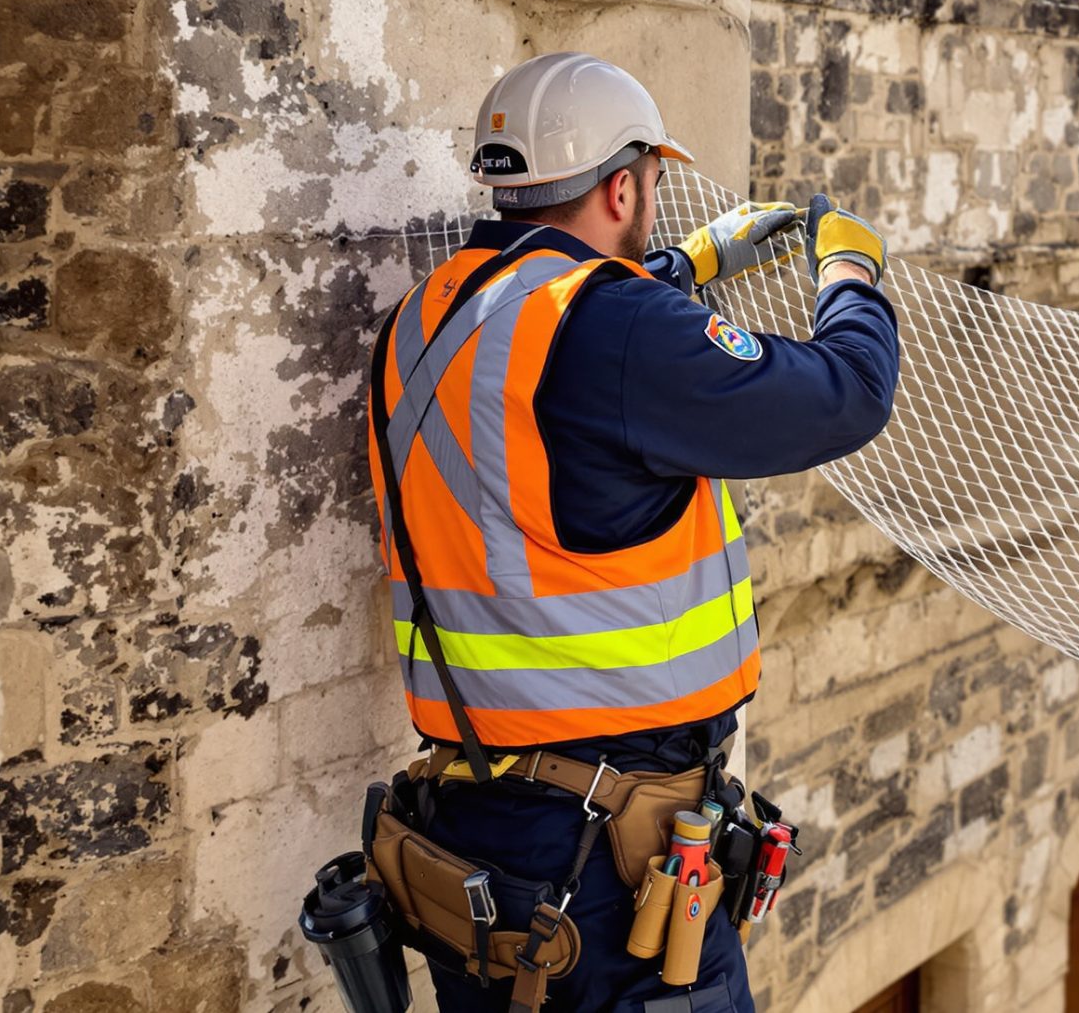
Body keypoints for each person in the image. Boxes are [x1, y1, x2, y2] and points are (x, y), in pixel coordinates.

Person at [363, 51, 898, 1012]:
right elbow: (846, 394)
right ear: (620, 186)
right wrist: (850, 268)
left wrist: (685, 265)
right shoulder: (615, 327)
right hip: (606, 864)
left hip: (473, 843)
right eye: (651, 179)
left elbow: (559, 328)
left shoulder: (423, 320)